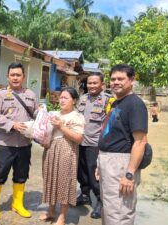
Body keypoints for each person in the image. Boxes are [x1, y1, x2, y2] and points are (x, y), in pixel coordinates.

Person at [97, 64, 148, 225]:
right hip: (108, 160)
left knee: (120, 212)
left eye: (121, 79)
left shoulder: (135, 104)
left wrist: (129, 174)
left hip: (122, 163)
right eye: (113, 79)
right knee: (110, 208)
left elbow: (140, 141)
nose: (116, 82)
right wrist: (101, 163)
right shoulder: (116, 103)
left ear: (131, 80)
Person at [0, 62, 38, 221]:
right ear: (8, 77)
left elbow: (35, 113)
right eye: (12, 75)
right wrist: (12, 125)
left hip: (24, 143)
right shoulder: (0, 94)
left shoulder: (30, 94)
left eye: (18, 75)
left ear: (23, 77)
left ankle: (17, 204)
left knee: (21, 175)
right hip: (6, 144)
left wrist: (42, 113)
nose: (15, 77)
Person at [40, 87, 85, 225]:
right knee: (50, 180)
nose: (62, 100)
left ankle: (62, 216)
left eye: (66, 97)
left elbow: (78, 138)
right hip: (51, 150)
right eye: (61, 97)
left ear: (74, 100)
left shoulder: (77, 116)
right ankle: (51, 211)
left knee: (65, 183)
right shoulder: (54, 114)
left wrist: (61, 126)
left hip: (67, 150)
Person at [76, 73, 114, 218]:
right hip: (80, 141)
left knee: (94, 175)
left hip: (95, 144)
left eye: (94, 83)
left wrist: (106, 145)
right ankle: (84, 194)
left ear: (102, 84)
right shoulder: (83, 98)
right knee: (81, 171)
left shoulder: (108, 100)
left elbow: (111, 124)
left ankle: (100, 200)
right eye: (89, 83)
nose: (91, 85)